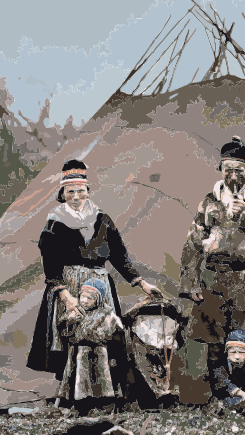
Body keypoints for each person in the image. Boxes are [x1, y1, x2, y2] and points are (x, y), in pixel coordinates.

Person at [27, 159, 161, 391]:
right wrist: (65, 297)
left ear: (88, 192)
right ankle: (70, 393)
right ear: (62, 194)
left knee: (104, 334)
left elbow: (120, 256)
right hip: (69, 286)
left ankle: (105, 392)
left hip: (100, 286)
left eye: (81, 191)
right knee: (71, 334)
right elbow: (50, 265)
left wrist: (141, 284)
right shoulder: (54, 223)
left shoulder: (103, 220)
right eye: (70, 192)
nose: (76, 197)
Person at [177, 136, 245, 403]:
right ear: (220, 170)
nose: (233, 175)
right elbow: (193, 241)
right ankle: (222, 396)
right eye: (228, 169)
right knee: (215, 340)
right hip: (214, 277)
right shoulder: (209, 202)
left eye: (239, 170)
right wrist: (189, 282)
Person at [54, 278, 127, 414]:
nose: (85, 301)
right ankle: (78, 405)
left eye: (90, 298)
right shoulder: (73, 313)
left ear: (98, 300)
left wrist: (114, 358)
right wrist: (69, 322)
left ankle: (103, 405)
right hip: (78, 353)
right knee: (77, 380)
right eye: (83, 296)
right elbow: (64, 333)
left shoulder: (109, 316)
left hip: (101, 353)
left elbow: (118, 337)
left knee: (102, 381)